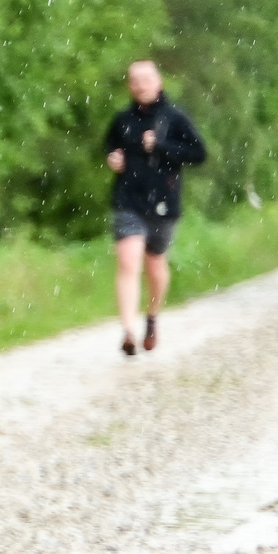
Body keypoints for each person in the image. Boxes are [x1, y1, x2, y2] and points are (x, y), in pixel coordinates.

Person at [103, 60, 206, 356]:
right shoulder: (123, 119)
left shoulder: (175, 118)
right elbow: (110, 146)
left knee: (155, 267)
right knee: (128, 262)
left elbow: (199, 153)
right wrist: (114, 158)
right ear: (129, 86)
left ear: (158, 81)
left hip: (163, 203)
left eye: (146, 79)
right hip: (128, 201)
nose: (140, 85)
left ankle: (151, 316)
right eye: (134, 80)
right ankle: (128, 331)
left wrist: (161, 146)